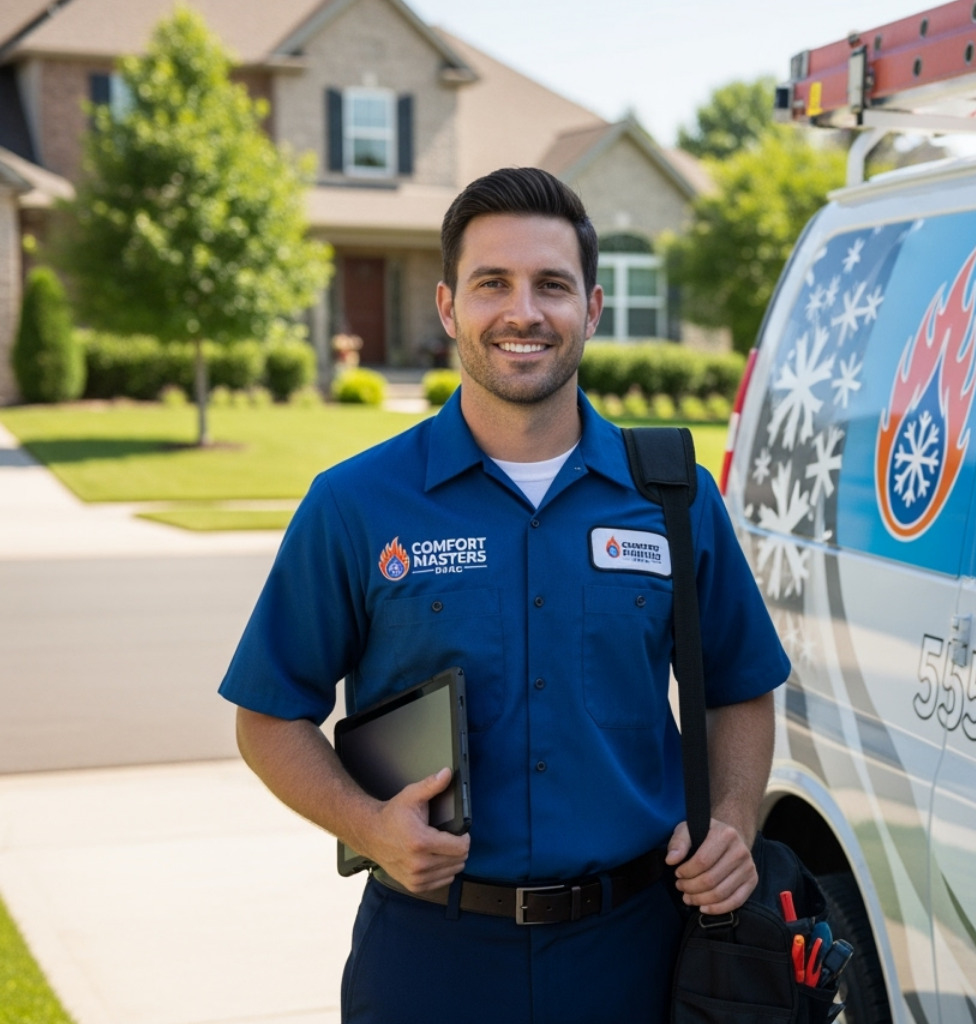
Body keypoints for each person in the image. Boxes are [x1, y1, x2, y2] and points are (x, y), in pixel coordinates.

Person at [219, 167, 791, 1023]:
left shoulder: (675, 495)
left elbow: (741, 688)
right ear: (449, 307)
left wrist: (735, 821)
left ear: (592, 309)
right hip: (429, 955)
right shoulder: (355, 503)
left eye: (551, 285)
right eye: (494, 283)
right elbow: (268, 715)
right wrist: (369, 828)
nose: (524, 311)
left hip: (637, 949)